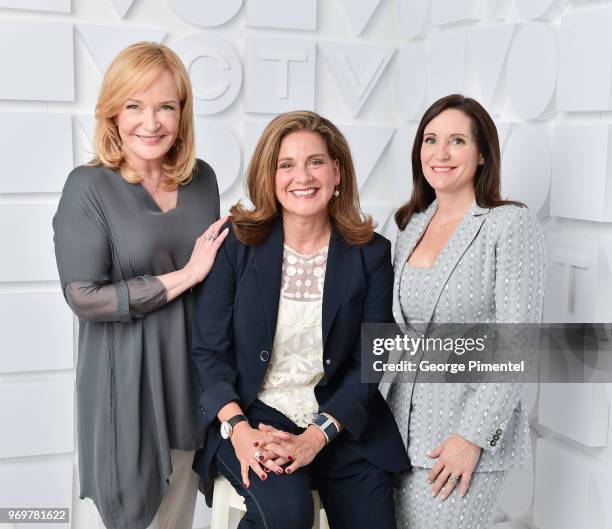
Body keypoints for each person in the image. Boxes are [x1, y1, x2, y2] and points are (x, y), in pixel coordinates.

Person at [191, 110, 410, 529]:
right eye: (286, 165)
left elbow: (372, 358)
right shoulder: (236, 246)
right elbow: (207, 350)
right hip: (254, 417)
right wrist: (239, 430)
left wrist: (316, 436)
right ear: (269, 177)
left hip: (339, 422)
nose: (302, 177)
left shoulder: (372, 254)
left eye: (316, 162)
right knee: (288, 516)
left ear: (337, 171)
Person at [52, 42, 228, 529]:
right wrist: (186, 275)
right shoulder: (87, 187)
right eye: (134, 106)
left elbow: (216, 279)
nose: (151, 123)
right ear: (112, 112)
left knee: (178, 520)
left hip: (191, 381)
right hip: (124, 384)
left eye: (165, 107)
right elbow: (84, 297)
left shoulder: (202, 181)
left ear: (182, 113)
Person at [387, 94, 546, 528]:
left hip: (460, 440)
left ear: (481, 155)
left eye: (457, 141)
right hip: (398, 435)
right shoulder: (408, 225)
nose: (440, 153)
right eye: (430, 139)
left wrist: (473, 438)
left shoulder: (509, 225)